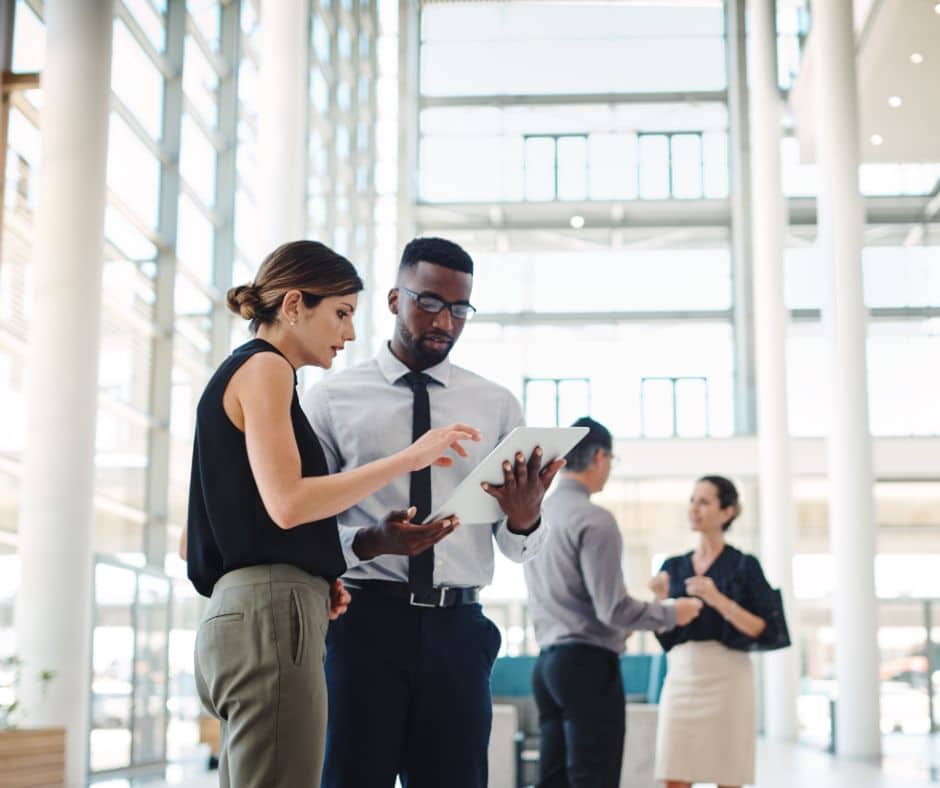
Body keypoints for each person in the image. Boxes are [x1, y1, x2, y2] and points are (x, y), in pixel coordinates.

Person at [186, 240, 479, 788]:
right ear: (294, 304)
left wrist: (317, 570)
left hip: (243, 611)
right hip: (270, 615)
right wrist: (410, 457)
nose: (347, 333)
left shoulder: (245, 374)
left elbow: (240, 518)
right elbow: (290, 501)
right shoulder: (267, 369)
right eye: (341, 313)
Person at [303, 236, 564, 788]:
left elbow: (518, 548)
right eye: (429, 303)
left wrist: (524, 517)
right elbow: (307, 523)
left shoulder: (494, 405)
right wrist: (372, 540)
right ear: (396, 299)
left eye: (459, 309)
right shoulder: (331, 400)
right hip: (361, 625)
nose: (445, 321)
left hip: (458, 630)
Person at [523, 417, 703, 788]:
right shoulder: (594, 519)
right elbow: (613, 609)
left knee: (553, 780)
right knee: (594, 778)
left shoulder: (537, 513)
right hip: (588, 664)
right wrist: (673, 613)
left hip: (547, 666)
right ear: (600, 457)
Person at [650, 475, 782, 788]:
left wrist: (716, 599)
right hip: (682, 675)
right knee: (675, 774)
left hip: (729, 678)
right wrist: (659, 601)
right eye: (692, 500)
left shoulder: (745, 566)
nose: (694, 508)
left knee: (728, 774)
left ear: (727, 512)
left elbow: (765, 628)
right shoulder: (673, 566)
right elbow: (665, 635)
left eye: (704, 502)